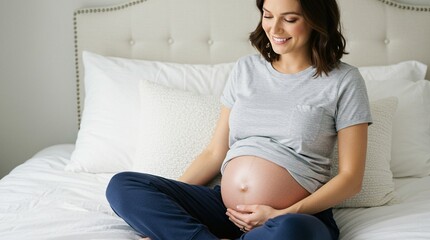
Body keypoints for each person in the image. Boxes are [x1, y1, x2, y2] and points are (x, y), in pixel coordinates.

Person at [106, 0, 372, 239]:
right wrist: (175, 205)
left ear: (317, 21)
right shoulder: (246, 69)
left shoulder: (344, 81)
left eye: (290, 19)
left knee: (292, 232)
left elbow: (351, 178)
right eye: (268, 16)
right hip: (223, 209)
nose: (275, 28)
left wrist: (280, 213)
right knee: (122, 185)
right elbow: (214, 153)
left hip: (293, 216)